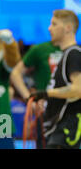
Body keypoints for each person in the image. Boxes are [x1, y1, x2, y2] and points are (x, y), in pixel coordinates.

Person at [29, 9, 81, 149]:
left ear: (68, 28)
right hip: (58, 128)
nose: (49, 28)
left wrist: (47, 94)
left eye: (54, 24)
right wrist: (46, 101)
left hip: (67, 128)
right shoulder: (67, 54)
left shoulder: (74, 53)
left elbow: (78, 89)